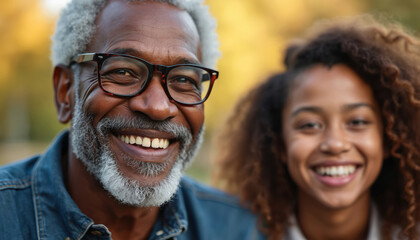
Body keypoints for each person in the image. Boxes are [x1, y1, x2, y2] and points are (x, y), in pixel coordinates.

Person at [0, 0, 265, 239]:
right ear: (65, 91)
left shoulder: (237, 229)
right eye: (124, 71)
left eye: (184, 79)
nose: (159, 108)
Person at [215, 16, 420, 240]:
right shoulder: (231, 234)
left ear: (389, 138)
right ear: (280, 143)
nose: (335, 144)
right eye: (310, 125)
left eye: (357, 122)